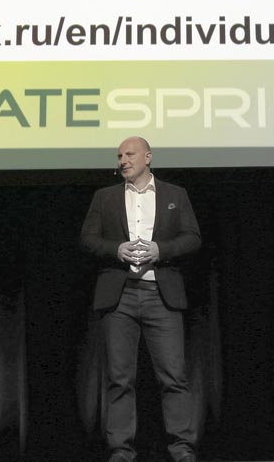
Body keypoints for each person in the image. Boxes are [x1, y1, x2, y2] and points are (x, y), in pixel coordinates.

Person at [80, 137, 201, 462]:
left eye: (130, 154)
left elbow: (192, 238)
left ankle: (182, 449)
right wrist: (115, 249)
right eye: (119, 155)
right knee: (119, 379)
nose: (123, 160)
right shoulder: (104, 197)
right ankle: (121, 451)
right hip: (119, 297)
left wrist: (162, 250)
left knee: (173, 377)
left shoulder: (175, 194)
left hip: (161, 296)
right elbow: (88, 239)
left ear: (148, 157)